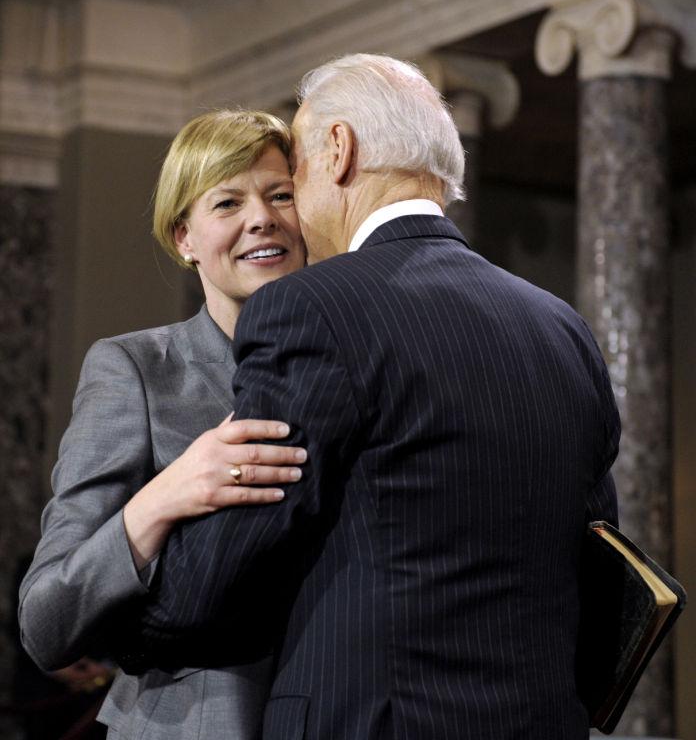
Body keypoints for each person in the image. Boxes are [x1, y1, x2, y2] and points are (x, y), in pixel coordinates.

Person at [115, 54, 620, 740]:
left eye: (293, 174)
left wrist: (121, 632)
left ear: (338, 149)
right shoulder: (563, 329)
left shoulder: (314, 309)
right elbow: (601, 567)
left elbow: (230, 562)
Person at [18, 109, 308, 740]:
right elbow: (46, 624)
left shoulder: (354, 365)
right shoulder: (136, 368)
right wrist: (163, 498)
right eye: (227, 202)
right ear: (184, 239)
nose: (262, 217)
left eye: (281, 194)